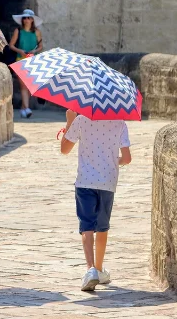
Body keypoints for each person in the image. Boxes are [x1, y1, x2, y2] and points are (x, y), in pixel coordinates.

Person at [60, 110, 132, 291]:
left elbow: (64, 149)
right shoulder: (120, 123)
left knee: (87, 226)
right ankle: (99, 269)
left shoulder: (81, 120)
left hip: (85, 180)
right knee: (102, 226)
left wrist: (69, 121)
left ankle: (90, 268)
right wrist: (113, 161)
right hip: (108, 181)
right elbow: (127, 158)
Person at [9, 9, 43, 118]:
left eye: (29, 18)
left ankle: (24, 108)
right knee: (23, 85)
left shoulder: (37, 32)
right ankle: (27, 108)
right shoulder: (18, 31)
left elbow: (41, 46)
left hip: (33, 60)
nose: (27, 20)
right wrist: (20, 51)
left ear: (32, 20)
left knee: (29, 86)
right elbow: (11, 45)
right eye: (25, 18)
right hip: (21, 60)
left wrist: (34, 51)